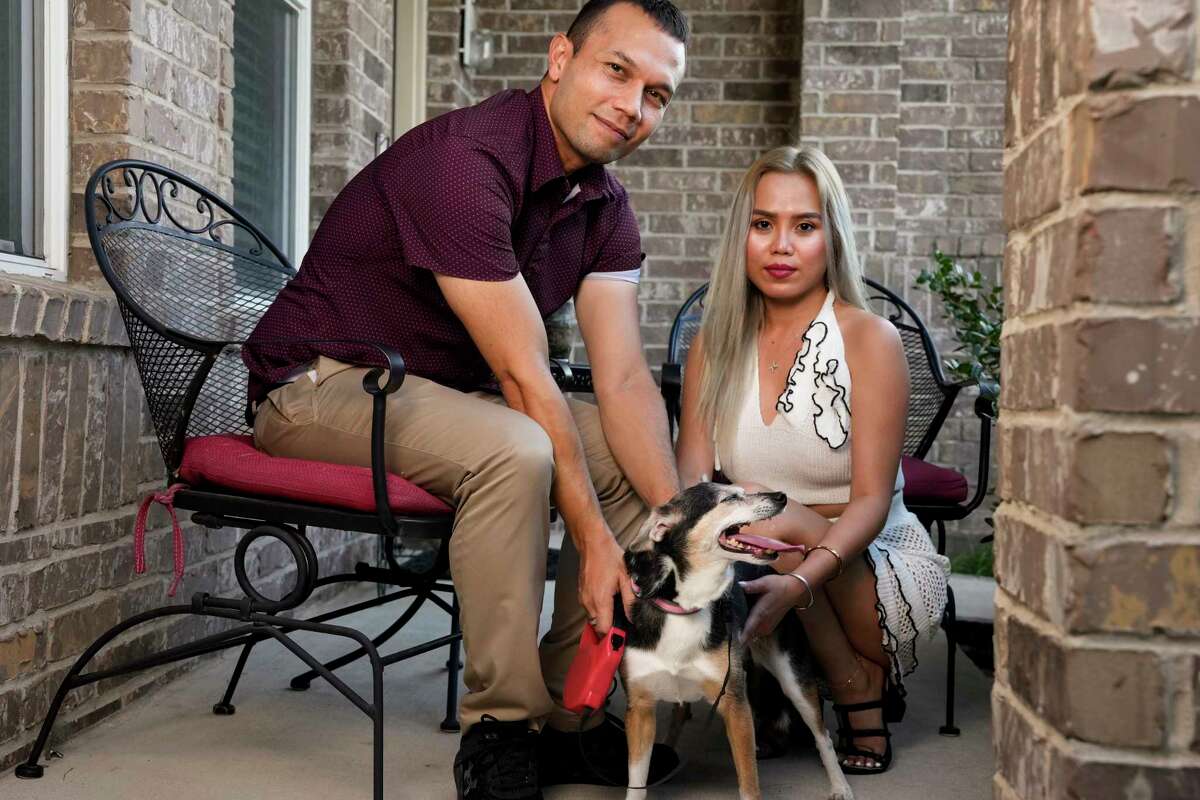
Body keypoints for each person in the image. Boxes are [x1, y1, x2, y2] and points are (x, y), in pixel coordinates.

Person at [242, 2, 688, 798]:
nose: (632, 106)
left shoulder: (606, 209)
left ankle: (568, 716)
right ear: (560, 58)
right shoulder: (464, 160)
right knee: (516, 449)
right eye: (616, 71)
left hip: (435, 395)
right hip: (317, 386)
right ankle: (502, 726)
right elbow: (522, 377)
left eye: (657, 94)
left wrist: (674, 526)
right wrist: (591, 539)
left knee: (618, 450)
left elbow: (622, 380)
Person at [674, 145, 951, 774]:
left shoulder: (869, 339)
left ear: (832, 238)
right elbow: (694, 480)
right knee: (767, 523)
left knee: (788, 521)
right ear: (740, 236)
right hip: (762, 546)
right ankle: (822, 689)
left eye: (804, 226)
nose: (781, 245)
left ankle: (856, 685)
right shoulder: (712, 347)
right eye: (763, 223)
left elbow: (873, 501)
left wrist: (796, 568)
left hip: (872, 568)